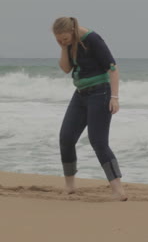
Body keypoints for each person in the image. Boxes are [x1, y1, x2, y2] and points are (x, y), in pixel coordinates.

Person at [52, 17, 127, 201]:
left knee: (98, 142)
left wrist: (115, 98)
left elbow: (113, 68)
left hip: (100, 93)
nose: (63, 42)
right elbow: (66, 69)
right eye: (59, 39)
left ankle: (118, 190)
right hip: (80, 93)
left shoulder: (93, 40)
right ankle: (70, 187)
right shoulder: (68, 43)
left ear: (73, 31)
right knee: (66, 138)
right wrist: (63, 48)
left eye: (65, 39)